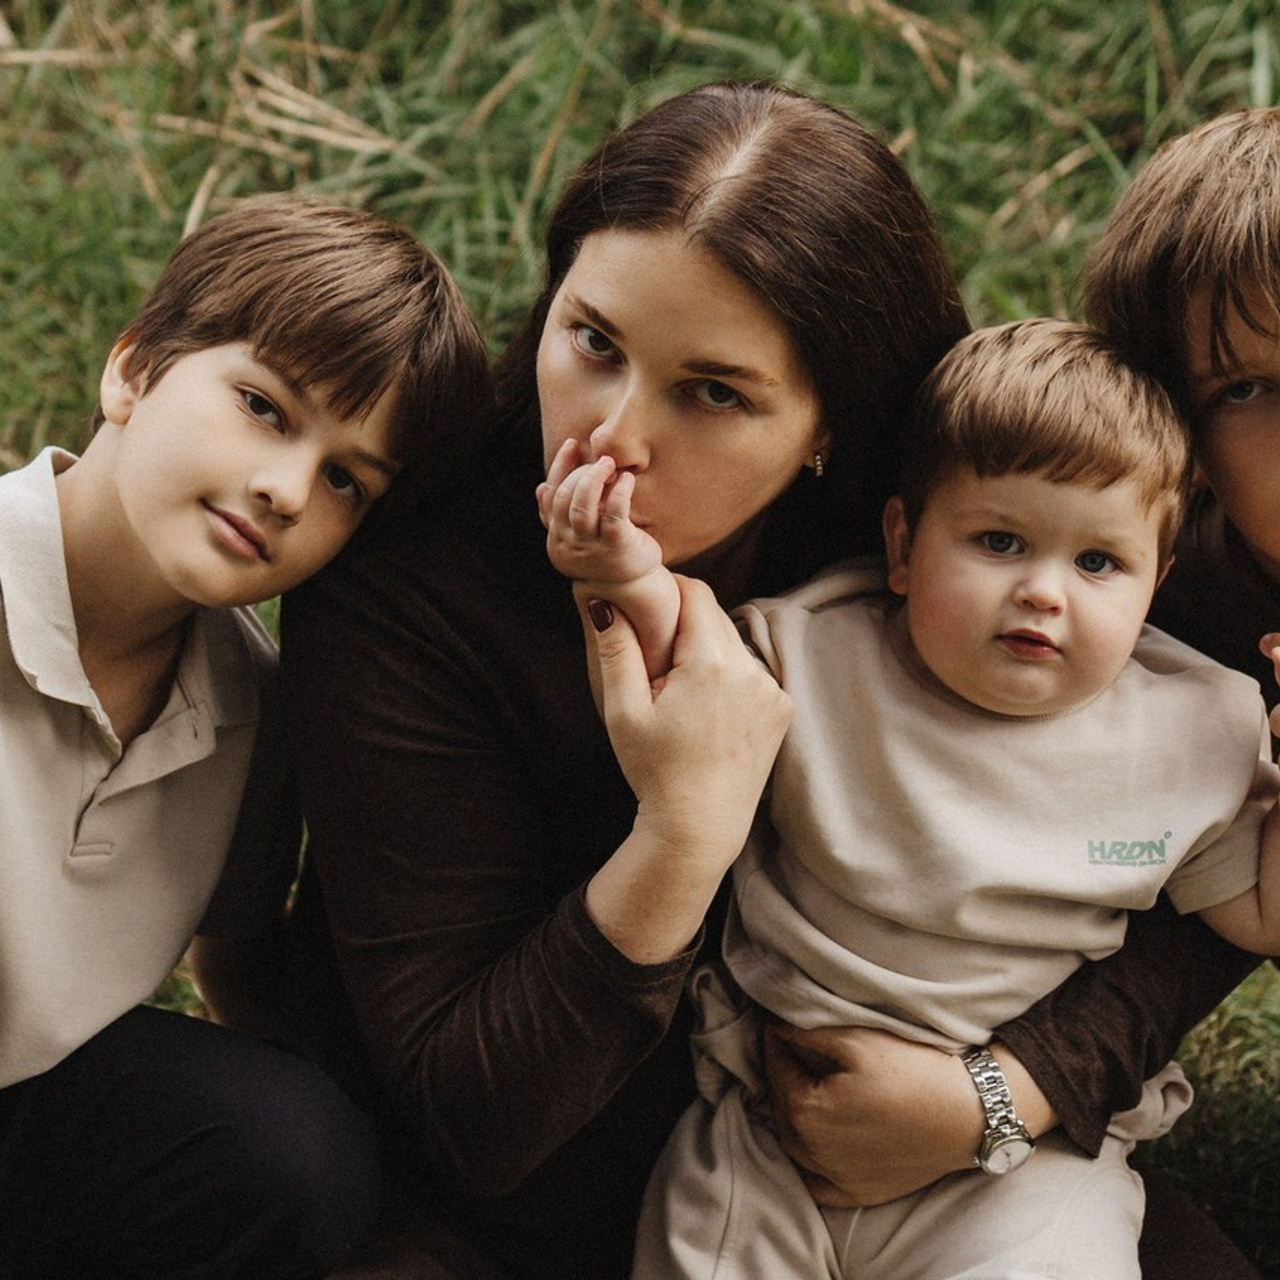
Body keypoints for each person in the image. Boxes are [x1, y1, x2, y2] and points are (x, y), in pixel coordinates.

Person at [280, 81, 1260, 1278]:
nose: (611, 436)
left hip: (938, 1168)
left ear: (829, 427)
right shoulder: (404, 596)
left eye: (713, 392)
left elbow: (1185, 844)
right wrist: (682, 833)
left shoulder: (960, 542)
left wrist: (999, 1094)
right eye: (592, 341)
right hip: (529, 1199)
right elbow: (472, 1118)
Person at [542, 315, 1280, 1276]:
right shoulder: (815, 655)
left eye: (1098, 563)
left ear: (1156, 582)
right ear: (902, 543)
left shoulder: (1192, 732)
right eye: (1000, 541)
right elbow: (674, 675)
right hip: (770, 1136)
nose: (1044, 591)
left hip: (1025, 1169)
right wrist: (620, 572)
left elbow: (1261, 915)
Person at [0, 195, 490, 1279]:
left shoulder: (252, 706)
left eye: (346, 479)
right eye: (265, 407)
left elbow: (240, 968)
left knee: (290, 1147)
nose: (285, 490)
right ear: (132, 370)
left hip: (25, 1116)